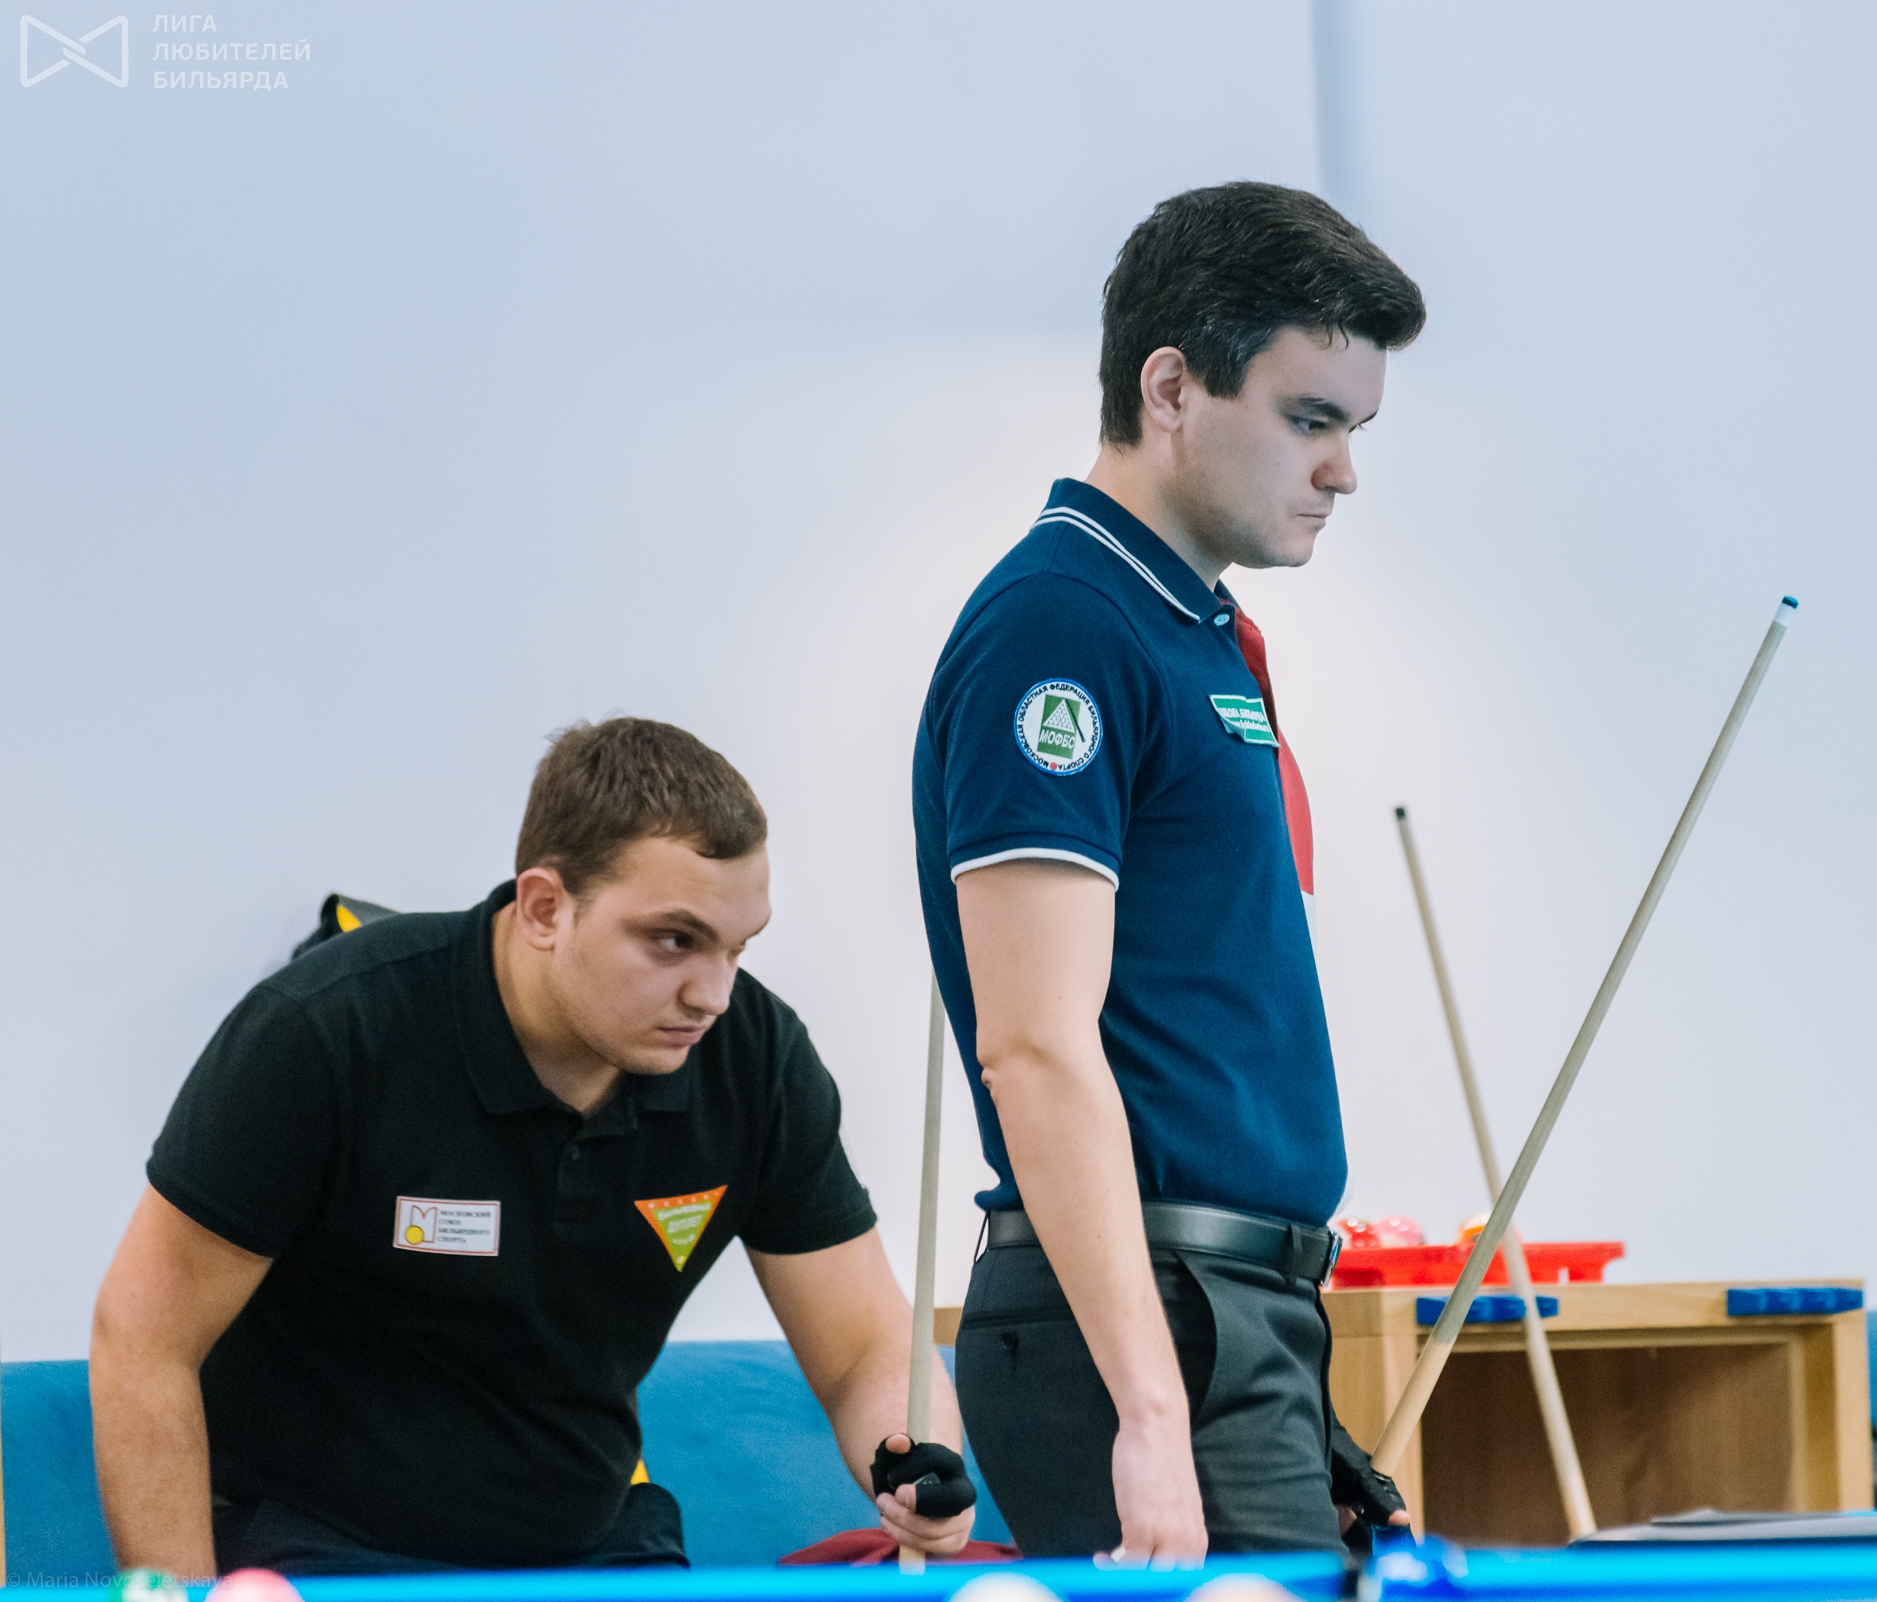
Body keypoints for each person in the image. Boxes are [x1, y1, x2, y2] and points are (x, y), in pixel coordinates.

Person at [91, 718, 979, 1576]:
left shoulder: (757, 1061)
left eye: (736, 949)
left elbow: (863, 1347)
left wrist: (912, 1457)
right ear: (546, 907)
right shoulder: (328, 1031)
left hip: (595, 1547)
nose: (712, 994)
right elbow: (143, 1338)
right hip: (325, 1549)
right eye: (674, 941)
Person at [912, 181, 1425, 1560]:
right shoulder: (1062, 627)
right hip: (1146, 1315)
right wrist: (1150, 1405)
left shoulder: (1190, 628)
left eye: (1355, 429)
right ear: (1173, 387)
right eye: (1310, 419)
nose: (1343, 471)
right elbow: (1032, 1043)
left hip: (1228, 1307)